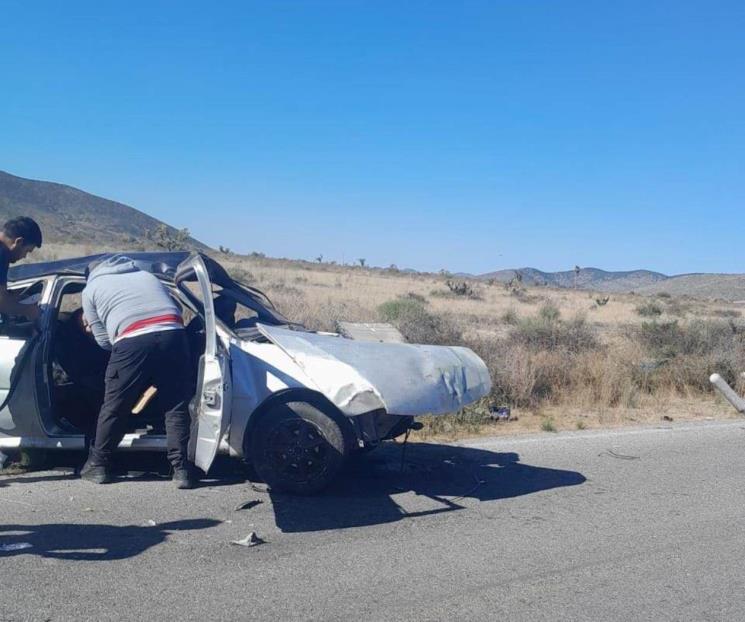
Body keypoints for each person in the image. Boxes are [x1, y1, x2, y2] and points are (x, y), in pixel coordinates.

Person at [80, 254, 196, 488]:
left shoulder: (91, 289)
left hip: (132, 340)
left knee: (115, 405)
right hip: (173, 335)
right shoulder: (147, 275)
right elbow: (176, 308)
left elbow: (104, 342)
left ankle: (98, 465)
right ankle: (181, 470)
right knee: (175, 405)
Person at [0, 216, 43, 321]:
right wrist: (29, 310)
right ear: (19, 242)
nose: (24, 256)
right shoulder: (2, 254)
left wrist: (18, 298)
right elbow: (1, 303)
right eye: (27, 251)